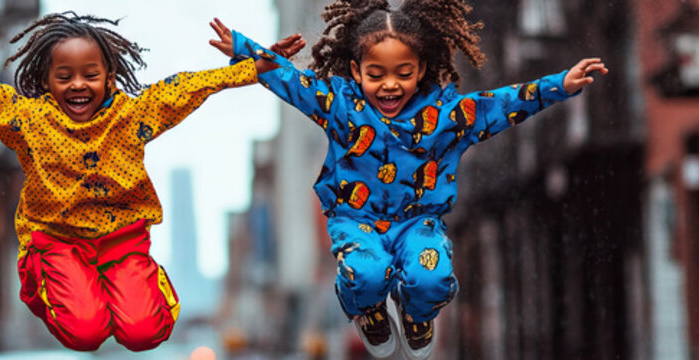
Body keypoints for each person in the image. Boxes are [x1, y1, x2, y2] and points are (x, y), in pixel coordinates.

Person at [0, 0, 301, 352]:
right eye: (65, 76)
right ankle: (39, 275)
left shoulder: (135, 114)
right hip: (57, 240)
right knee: (87, 333)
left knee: (143, 335)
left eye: (90, 75)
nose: (79, 85)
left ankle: (143, 283)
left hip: (123, 241)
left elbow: (191, 86)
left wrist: (255, 66)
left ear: (109, 77)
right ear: (46, 81)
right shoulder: (26, 120)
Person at [208, 0, 608, 357]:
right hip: (356, 221)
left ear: (421, 70)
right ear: (356, 70)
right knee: (366, 274)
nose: (389, 85)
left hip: (419, 221)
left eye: (403, 73)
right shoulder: (338, 104)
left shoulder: (448, 116)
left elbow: (503, 103)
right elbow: (291, 81)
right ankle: (369, 313)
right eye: (376, 73)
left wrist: (560, 85)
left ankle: (418, 319)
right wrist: (243, 48)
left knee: (429, 277)